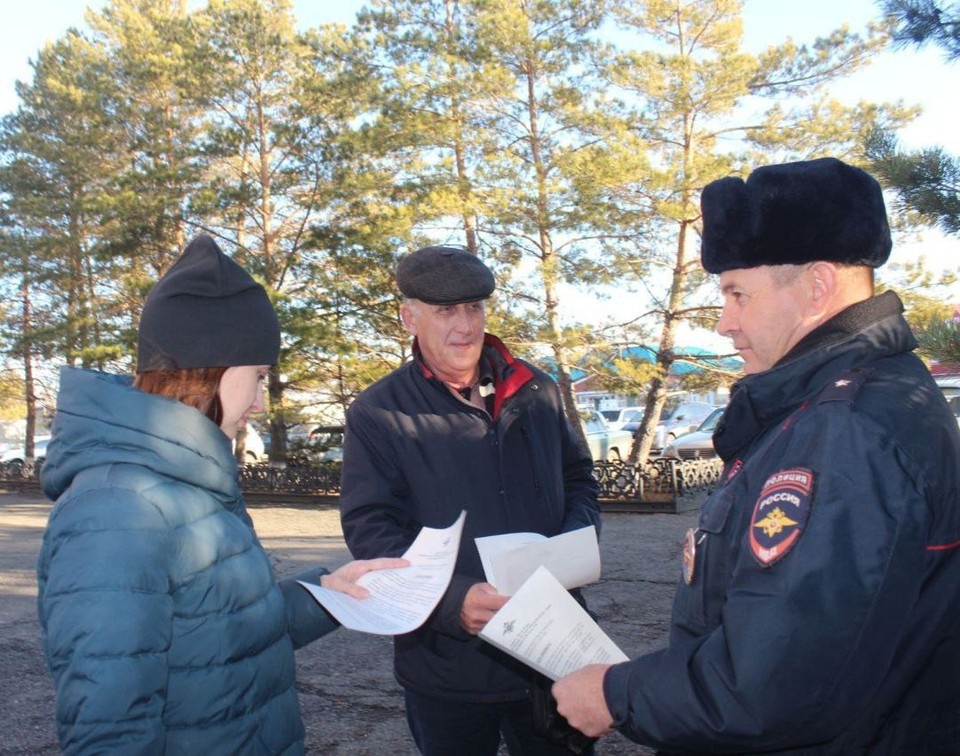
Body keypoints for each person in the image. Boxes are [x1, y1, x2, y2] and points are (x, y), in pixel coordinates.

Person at [552, 157, 960, 754]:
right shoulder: (855, 397)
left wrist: (616, 695)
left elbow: (777, 680)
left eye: (738, 293)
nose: (724, 322)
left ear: (818, 286)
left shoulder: (842, 432)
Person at [36, 235, 406, 754]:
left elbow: (221, 637)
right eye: (257, 376)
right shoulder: (117, 511)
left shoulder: (186, 478)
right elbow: (109, 727)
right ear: (212, 368)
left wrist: (328, 591)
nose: (258, 403)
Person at [338, 245, 602, 755]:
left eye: (474, 307)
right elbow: (371, 528)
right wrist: (451, 602)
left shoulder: (537, 389)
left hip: (554, 647)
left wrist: (574, 544)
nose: (465, 326)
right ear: (408, 317)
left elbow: (578, 478)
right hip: (446, 662)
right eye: (445, 311)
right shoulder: (379, 411)